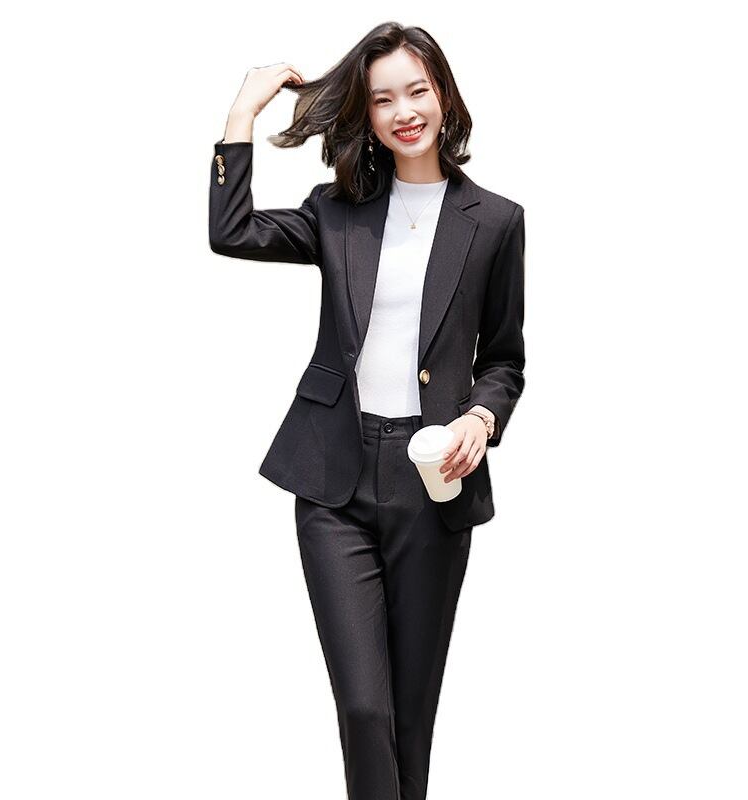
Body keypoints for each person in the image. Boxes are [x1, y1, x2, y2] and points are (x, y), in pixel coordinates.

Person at [209, 22, 526, 800]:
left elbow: (504, 359)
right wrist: (241, 116)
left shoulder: (496, 220)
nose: (403, 111)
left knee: (410, 718)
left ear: (443, 95)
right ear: (368, 115)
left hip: (433, 481)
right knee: (363, 709)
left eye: (417, 91)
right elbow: (232, 231)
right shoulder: (338, 211)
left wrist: (479, 420)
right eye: (383, 99)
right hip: (334, 478)